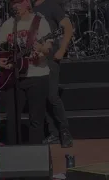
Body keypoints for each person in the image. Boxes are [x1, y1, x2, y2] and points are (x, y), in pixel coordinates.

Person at [0, 0, 52, 144]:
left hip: (37, 76)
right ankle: (13, 152)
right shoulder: (8, 25)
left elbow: (47, 48)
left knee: (36, 119)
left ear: (27, 3)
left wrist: (40, 50)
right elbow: (2, 50)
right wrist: (0, 61)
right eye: (12, 4)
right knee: (12, 119)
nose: (14, 6)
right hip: (13, 77)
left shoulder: (40, 23)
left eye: (18, 3)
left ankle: (34, 153)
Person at [33, 0, 74, 148]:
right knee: (42, 97)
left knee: (52, 95)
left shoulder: (51, 6)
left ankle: (64, 132)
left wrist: (62, 50)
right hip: (35, 60)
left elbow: (68, 27)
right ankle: (53, 133)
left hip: (50, 57)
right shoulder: (29, 7)